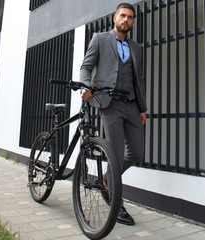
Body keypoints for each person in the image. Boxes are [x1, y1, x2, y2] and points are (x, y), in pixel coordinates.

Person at [79, 3, 147, 226]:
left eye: (130, 17)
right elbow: (86, 67)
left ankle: (106, 181)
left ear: (133, 21)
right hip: (110, 104)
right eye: (123, 16)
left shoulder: (137, 48)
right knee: (115, 155)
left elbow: (139, 80)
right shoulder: (100, 39)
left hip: (132, 105)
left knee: (136, 152)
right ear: (115, 18)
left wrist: (142, 108)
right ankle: (116, 203)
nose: (126, 20)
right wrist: (85, 87)